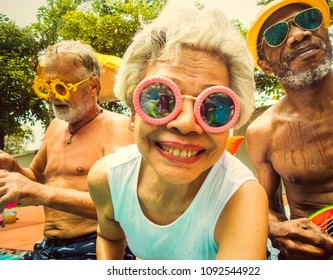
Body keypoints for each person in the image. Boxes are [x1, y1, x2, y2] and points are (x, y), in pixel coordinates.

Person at [87, 5, 269, 260]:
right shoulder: (108, 178)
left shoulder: (239, 198)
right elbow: (108, 236)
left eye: (214, 107)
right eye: (160, 99)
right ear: (132, 112)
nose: (185, 123)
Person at [245, 0, 333, 259]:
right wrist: (277, 228)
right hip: (313, 257)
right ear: (265, 65)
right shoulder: (263, 132)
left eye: (309, 19)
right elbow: (268, 208)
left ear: (325, 31)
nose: (299, 34)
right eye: (277, 35)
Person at [0, 40, 135, 260]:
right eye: (47, 87)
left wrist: (39, 193)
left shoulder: (118, 128)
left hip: (93, 246)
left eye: (62, 87)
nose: (53, 96)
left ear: (93, 86)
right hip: (47, 247)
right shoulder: (55, 127)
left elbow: (120, 208)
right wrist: (13, 167)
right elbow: (37, 177)